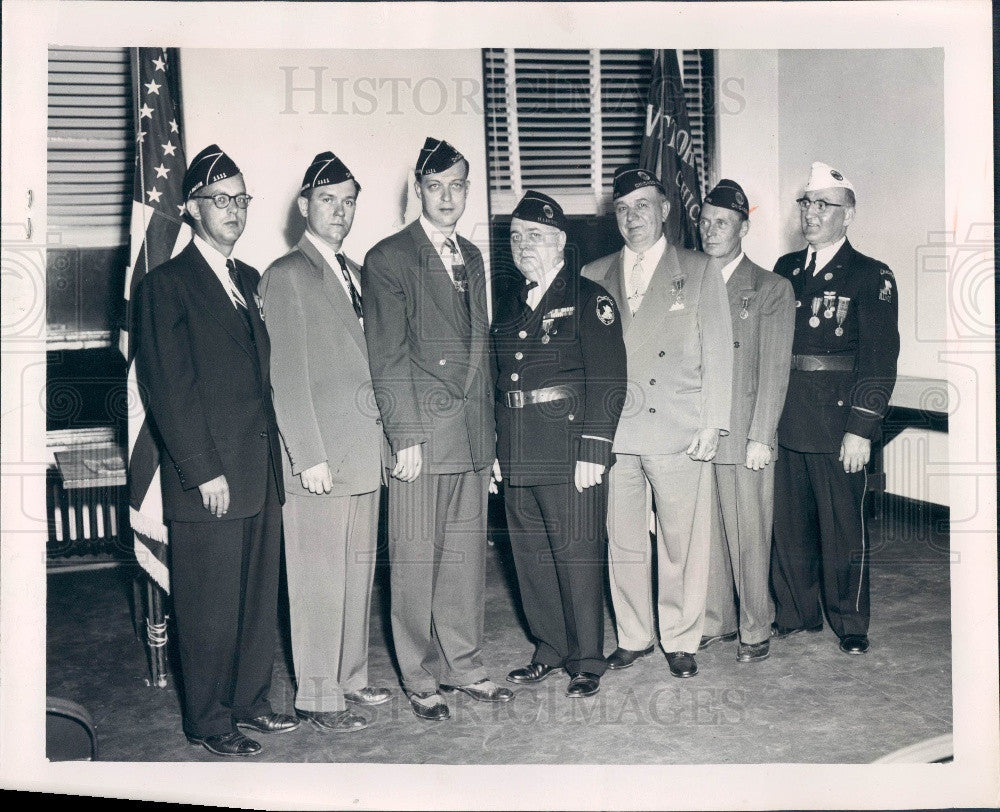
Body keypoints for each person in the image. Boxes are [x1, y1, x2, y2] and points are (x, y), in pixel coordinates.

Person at [135, 145, 297, 756]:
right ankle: (207, 719)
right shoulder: (165, 287)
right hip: (209, 478)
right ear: (191, 209)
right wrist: (203, 470)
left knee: (256, 598)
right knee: (207, 607)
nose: (234, 210)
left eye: (241, 198)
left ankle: (251, 702)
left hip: (259, 472)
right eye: (220, 200)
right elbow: (169, 390)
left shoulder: (249, 280)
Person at [361, 137, 513, 721]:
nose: (447, 197)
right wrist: (405, 438)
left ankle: (465, 665)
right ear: (417, 191)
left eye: (457, 186)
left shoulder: (472, 255)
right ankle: (418, 674)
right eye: (435, 186)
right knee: (415, 561)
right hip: (423, 436)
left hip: (472, 437)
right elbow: (388, 357)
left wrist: (493, 441)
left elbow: (483, 351)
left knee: (465, 561)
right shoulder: (390, 257)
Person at [582, 165, 733, 679]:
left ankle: (680, 636)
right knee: (621, 539)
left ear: (665, 209)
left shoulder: (698, 268)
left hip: (677, 427)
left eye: (643, 205)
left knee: (680, 542)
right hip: (615, 432)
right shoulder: (593, 273)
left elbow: (718, 350)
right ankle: (633, 635)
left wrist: (712, 421)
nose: (632, 217)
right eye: (622, 209)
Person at [259, 152, 390, 734]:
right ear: (304, 206)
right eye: (328, 200)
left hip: (365, 454)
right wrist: (307, 454)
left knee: (357, 574)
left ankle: (351, 679)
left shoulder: (356, 272)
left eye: (349, 200)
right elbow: (285, 375)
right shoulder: (286, 275)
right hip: (321, 458)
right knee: (317, 579)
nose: (340, 211)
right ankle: (316, 695)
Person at [493, 191, 627, 698]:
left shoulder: (590, 298)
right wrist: (494, 452)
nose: (525, 245)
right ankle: (549, 648)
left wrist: (595, 447)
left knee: (577, 556)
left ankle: (587, 657)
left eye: (537, 236)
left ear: (561, 242)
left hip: (571, 450)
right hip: (519, 449)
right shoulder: (509, 304)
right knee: (531, 558)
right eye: (516, 236)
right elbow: (497, 380)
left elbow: (610, 378)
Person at [769, 162, 899, 656]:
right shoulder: (785, 270)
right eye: (807, 202)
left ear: (848, 215)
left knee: (842, 526)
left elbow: (879, 359)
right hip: (785, 416)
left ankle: (849, 620)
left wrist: (861, 429)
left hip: (838, 420)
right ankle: (796, 612)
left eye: (826, 204)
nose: (812, 213)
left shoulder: (871, 275)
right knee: (789, 523)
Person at [696, 180, 795, 663]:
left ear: (744, 228)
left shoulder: (770, 288)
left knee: (750, 534)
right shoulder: (691, 282)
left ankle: (757, 625)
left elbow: (775, 368)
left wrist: (762, 435)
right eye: (705, 221)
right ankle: (717, 619)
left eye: (723, 222)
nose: (711, 230)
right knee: (707, 534)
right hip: (698, 432)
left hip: (743, 432)